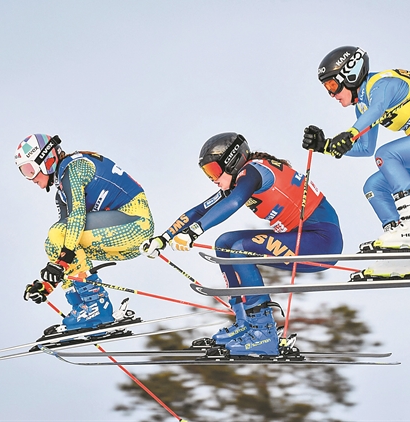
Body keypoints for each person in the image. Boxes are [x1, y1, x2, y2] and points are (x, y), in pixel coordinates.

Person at [142, 132, 343, 356]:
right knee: (225, 243)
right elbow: (200, 210)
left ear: (232, 161)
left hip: (321, 241)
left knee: (239, 249)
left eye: (215, 171)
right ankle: (245, 322)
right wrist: (164, 237)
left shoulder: (253, 172)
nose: (213, 179)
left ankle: (264, 332)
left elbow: (235, 202)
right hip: (300, 239)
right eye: (208, 174)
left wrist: (194, 232)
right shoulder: (243, 178)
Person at [303, 46, 410, 280]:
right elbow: (365, 148)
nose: (331, 94)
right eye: (327, 89)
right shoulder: (362, 106)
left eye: (332, 85)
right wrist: (325, 145)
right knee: (374, 186)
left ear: (350, 74)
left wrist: (350, 132)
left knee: (388, 154)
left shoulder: (382, 85)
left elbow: (377, 109)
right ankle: (403, 253)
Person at [15, 134, 154, 335]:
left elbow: (77, 218)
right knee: (53, 242)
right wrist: (46, 285)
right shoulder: (61, 191)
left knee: (59, 233)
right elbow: (65, 246)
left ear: (47, 160)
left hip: (135, 224)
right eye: (24, 173)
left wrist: (59, 265)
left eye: (30, 170)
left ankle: (97, 306)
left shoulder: (75, 167)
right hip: (117, 234)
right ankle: (82, 308)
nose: (30, 178)